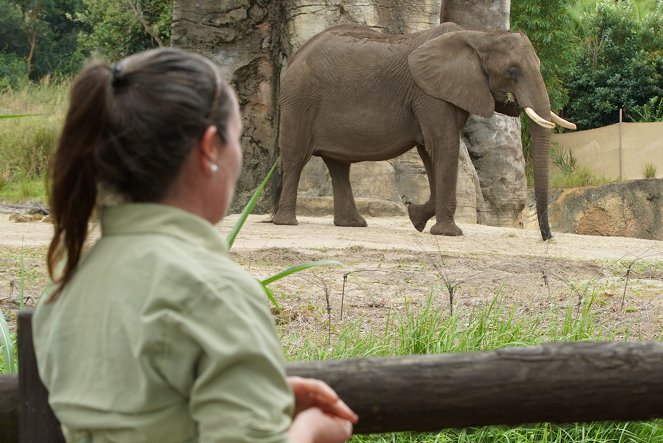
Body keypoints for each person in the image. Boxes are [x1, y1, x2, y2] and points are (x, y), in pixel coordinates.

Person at [33, 47, 358, 443]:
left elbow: (139, 411)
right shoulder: (214, 292)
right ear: (209, 149)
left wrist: (255, 399)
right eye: (235, 138)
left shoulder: (64, 289)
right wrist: (309, 433)